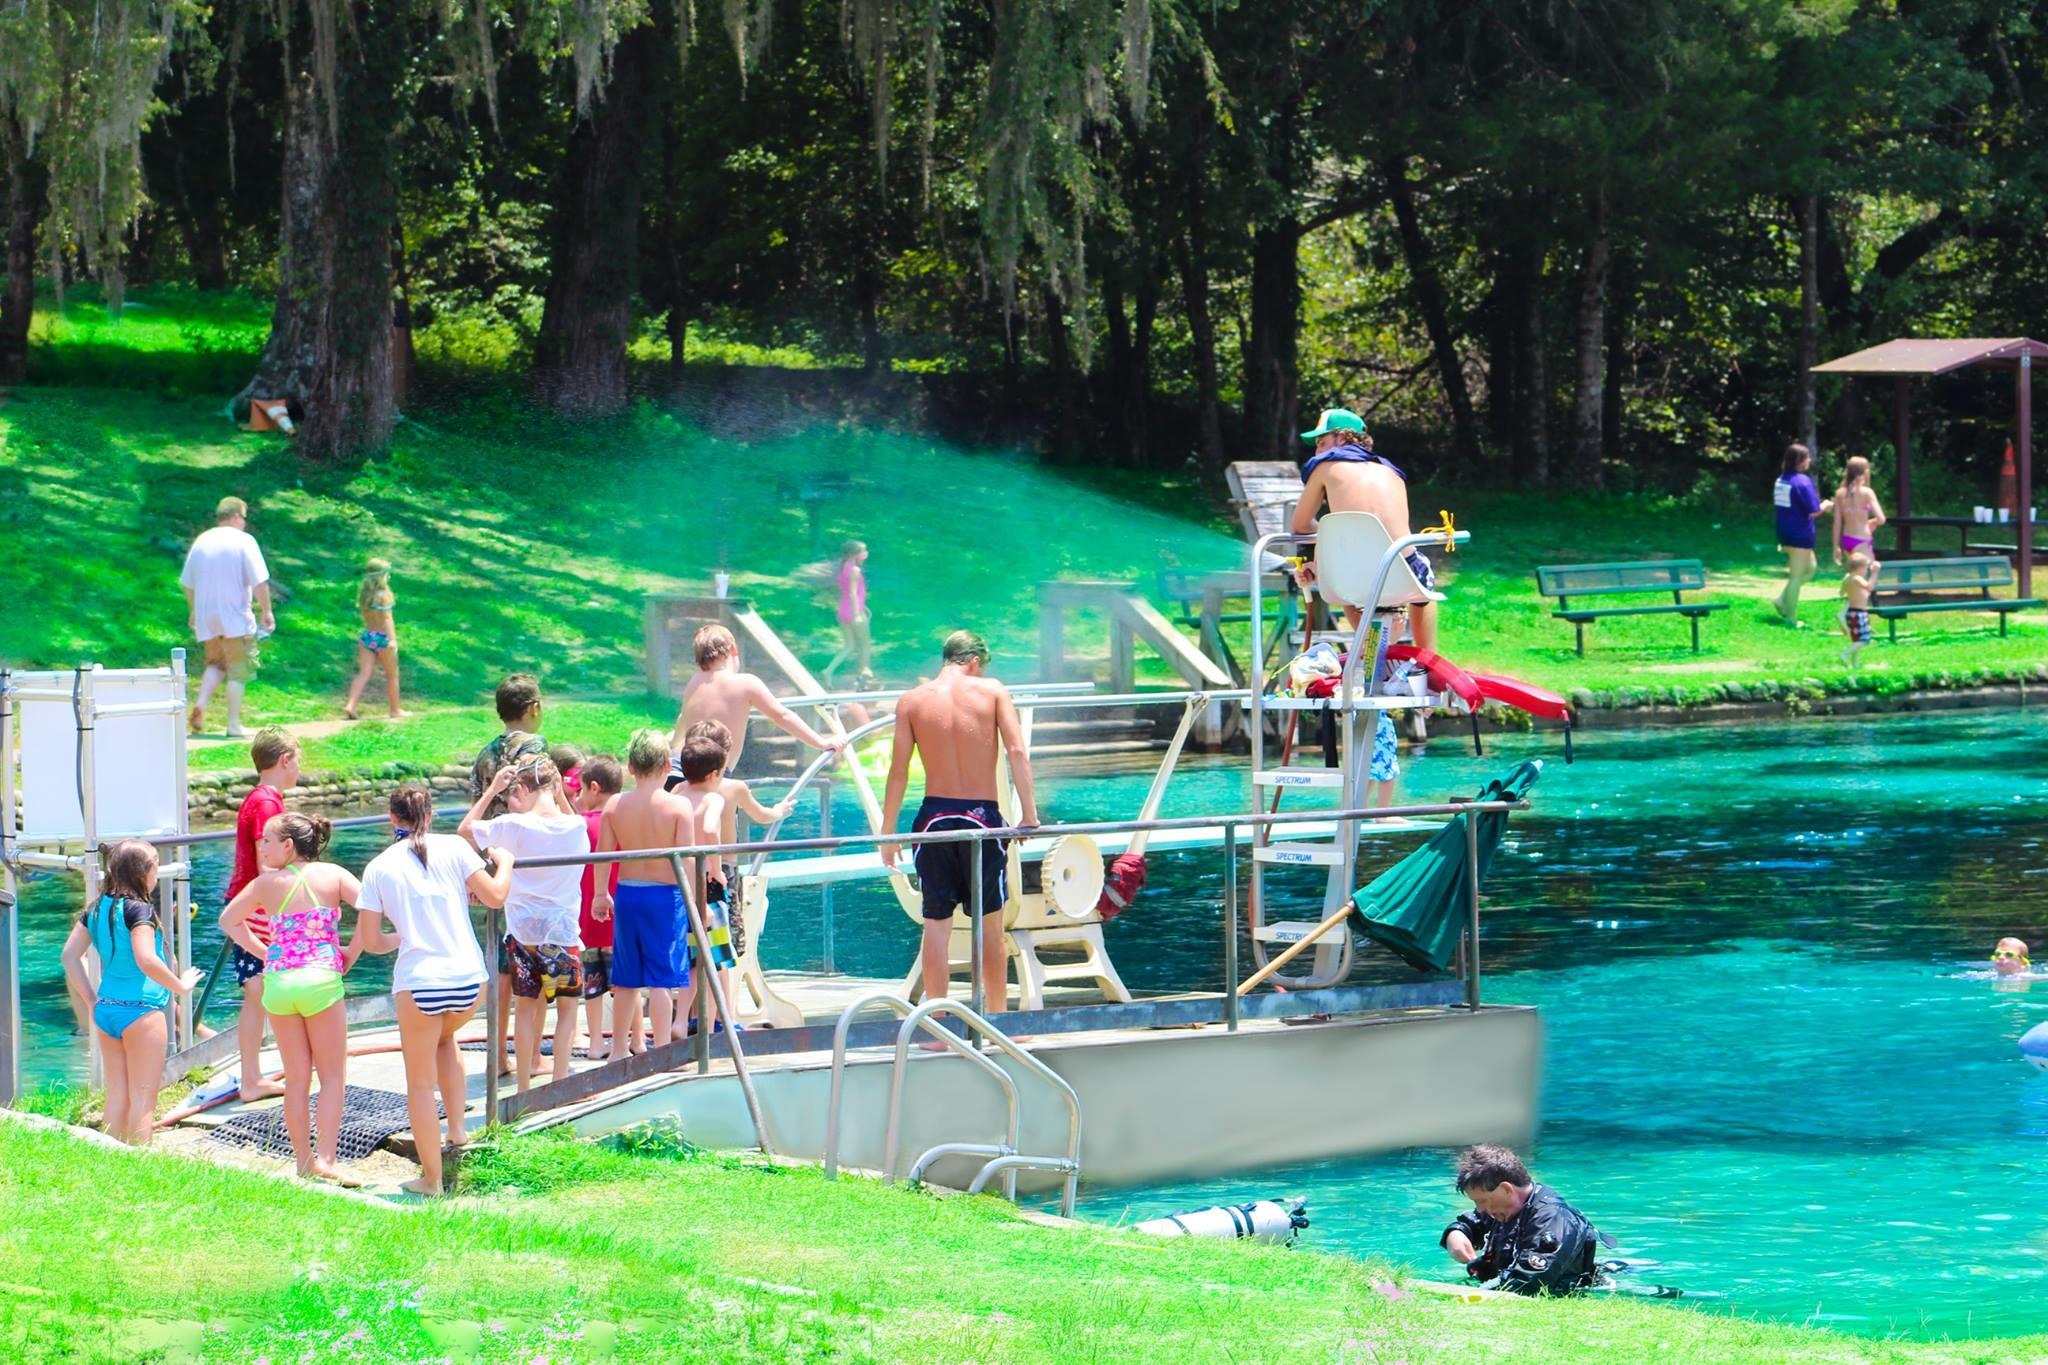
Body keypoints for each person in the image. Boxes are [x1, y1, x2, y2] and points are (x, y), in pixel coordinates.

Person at [352, 784, 515, 1196]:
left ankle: (432, 1180)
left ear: (393, 818)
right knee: (446, 1039)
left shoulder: (378, 867)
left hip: (421, 984)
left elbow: (371, 941)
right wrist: (507, 862)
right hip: (469, 981)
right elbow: (496, 897)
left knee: (420, 1084)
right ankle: (458, 1131)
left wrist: (406, 937)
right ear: (430, 815)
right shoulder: (455, 849)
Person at [880, 630, 1039, 1012]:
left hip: (933, 820)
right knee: (990, 925)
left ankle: (937, 1023)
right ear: (974, 661)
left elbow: (898, 770)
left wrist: (888, 833)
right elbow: (1017, 751)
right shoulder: (993, 691)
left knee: (936, 925)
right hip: (981, 818)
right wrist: (1029, 815)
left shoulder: (911, 700)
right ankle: (998, 1018)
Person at [1288, 407, 1434, 800]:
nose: (1316, 449)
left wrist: (1321, 556)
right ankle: (1427, 661)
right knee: (1422, 591)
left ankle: (1378, 655)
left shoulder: (1325, 467)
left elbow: (1300, 525)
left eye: (1321, 440)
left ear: (1342, 438)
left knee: (1354, 601)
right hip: (1404, 574)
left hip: (1356, 581)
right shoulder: (1391, 471)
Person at [219, 813, 364, 1184]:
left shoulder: (265, 884)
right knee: (332, 1076)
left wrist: (265, 952)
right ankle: (327, 1159)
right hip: (320, 981)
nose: (262, 846)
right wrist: (353, 950)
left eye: (267, 840)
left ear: (288, 845)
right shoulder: (333, 875)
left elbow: (228, 921)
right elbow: (372, 907)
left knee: (297, 1080)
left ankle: (303, 1162)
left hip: (279, 985)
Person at [59, 841, 202, 1145]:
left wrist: (91, 1000)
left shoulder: (96, 908)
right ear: (143, 872)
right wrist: (181, 986)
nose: (156, 875)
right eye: (154, 868)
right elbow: (146, 959)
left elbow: (69, 955)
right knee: (143, 1098)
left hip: (106, 1010)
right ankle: (140, 1159)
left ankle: (110, 1157)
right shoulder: (139, 910)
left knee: (117, 1093)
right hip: (142, 1011)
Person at [460, 756, 590, 1090]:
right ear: (556, 786)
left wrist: (492, 790)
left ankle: (522, 1089)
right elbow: (572, 818)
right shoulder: (576, 827)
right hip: (562, 934)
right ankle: (561, 1084)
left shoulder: (512, 825)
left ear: (522, 787)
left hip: (524, 934)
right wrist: (559, 794)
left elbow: (465, 831)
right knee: (567, 1012)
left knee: (526, 1012)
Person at [592, 730, 695, 1054]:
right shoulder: (679, 807)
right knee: (661, 980)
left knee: (626, 978)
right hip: (665, 897)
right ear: (667, 765)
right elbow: (687, 860)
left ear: (631, 768)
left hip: (628, 895)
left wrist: (599, 894)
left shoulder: (615, 805)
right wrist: (694, 902)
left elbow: (603, 855)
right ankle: (662, 1049)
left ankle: (618, 1051)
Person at [470, 672, 548, 1072]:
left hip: (491, 863)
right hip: (529, 864)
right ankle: (531, 1056)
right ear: (533, 708)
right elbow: (543, 803)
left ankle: (498, 1056)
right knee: (532, 960)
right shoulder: (536, 749)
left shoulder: (485, 754)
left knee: (500, 964)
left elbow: (477, 810)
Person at [686, 718, 795, 976]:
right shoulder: (734, 788)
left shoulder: (681, 789)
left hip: (690, 869)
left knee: (694, 943)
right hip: (722, 870)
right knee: (724, 943)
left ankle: (696, 1000)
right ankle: (723, 1000)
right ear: (724, 756)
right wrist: (779, 810)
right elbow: (762, 815)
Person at [224, 729, 299, 1103]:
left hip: (250, 904)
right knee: (259, 992)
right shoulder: (268, 804)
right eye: (297, 760)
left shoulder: (259, 798)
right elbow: (265, 860)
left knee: (258, 993)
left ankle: (252, 1075)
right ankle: (252, 1078)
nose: (299, 768)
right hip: (256, 910)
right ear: (285, 760)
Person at [669, 623, 839, 781]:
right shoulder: (745, 683)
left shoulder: (695, 681)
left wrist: (673, 751)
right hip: (711, 775)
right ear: (733, 649)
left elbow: (684, 718)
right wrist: (820, 742)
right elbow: (781, 715)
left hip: (680, 765)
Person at [1441, 1145, 1603, 1296]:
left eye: (1482, 1200)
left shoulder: (1553, 1219)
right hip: (1504, 1282)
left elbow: (1529, 1281)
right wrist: (1456, 1233)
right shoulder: (1501, 1208)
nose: (1481, 1208)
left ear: (1506, 1189)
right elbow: (1471, 1223)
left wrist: (1477, 1293)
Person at [182, 495, 274, 737]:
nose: (244, 522)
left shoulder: (202, 540)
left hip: (207, 616)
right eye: (243, 517)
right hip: (235, 616)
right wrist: (267, 610)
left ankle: (201, 704)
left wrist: (194, 610)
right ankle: (233, 724)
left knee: (216, 663)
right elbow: (260, 581)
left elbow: (187, 583)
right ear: (235, 517)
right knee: (238, 669)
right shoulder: (244, 541)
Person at [670, 736, 734, 1034]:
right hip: (706, 883)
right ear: (714, 774)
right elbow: (709, 829)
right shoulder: (713, 799)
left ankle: (681, 1019)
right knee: (712, 958)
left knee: (691, 957)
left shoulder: (677, 792)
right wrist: (716, 869)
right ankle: (708, 1027)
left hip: (678, 881)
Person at [573, 755, 624, 1061]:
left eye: (580, 790)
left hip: (589, 916)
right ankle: (632, 1040)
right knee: (626, 984)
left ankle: (595, 1042)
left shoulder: (581, 825)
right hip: (621, 913)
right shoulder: (625, 821)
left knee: (592, 983)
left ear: (593, 787)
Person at [1773, 443, 1833, 626]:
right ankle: (1791, 618)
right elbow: (1814, 510)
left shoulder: (1781, 479)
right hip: (1800, 533)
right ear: (1800, 460)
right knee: (1797, 576)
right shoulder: (1802, 481)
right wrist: (1826, 505)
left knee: (1810, 568)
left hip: (1785, 531)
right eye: (1807, 457)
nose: (1809, 460)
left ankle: (1782, 600)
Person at [343, 557, 404, 720]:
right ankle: (395, 710)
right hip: (383, 637)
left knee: (363, 673)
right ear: (382, 575)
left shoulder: (365, 596)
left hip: (368, 636)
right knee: (392, 675)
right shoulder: (384, 595)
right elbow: (387, 619)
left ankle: (351, 705)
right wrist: (392, 639)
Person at [821, 540, 876, 689]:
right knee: (865, 646)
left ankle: (828, 671)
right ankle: (863, 681)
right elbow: (852, 593)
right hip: (854, 613)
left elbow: (848, 592)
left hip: (843, 611)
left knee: (849, 646)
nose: (866, 553)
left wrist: (863, 606)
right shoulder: (855, 570)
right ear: (855, 554)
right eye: (863, 551)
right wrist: (857, 613)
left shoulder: (843, 567)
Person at [1832, 455, 1887, 567]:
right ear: (1865, 472)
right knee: (1868, 572)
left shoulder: (1840, 493)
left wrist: (1835, 547)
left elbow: (1837, 523)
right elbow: (1881, 519)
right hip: (1862, 539)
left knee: (1853, 573)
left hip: (1847, 539)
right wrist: (1872, 522)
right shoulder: (1867, 492)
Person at [1839, 548, 1877, 669]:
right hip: (1858, 613)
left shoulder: (1848, 578)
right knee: (1864, 640)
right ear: (1860, 568)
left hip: (1852, 613)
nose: (1866, 570)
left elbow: (1841, 593)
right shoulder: (1857, 578)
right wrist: (1875, 573)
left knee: (1856, 640)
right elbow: (1869, 587)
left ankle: (1855, 665)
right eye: (1866, 568)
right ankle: (1844, 654)